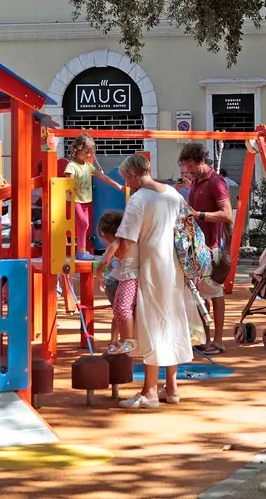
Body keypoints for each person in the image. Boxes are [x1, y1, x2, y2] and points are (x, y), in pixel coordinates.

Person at [114, 154, 194, 408]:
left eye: (126, 178)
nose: (126, 183)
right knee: (171, 319)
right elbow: (187, 223)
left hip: (150, 264)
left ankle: (149, 391)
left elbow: (126, 241)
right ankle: (171, 387)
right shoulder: (172, 193)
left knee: (151, 323)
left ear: (135, 175)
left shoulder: (139, 199)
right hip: (174, 264)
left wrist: (111, 258)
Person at [179, 142, 233, 355]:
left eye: (187, 165)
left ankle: (218, 340)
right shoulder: (196, 182)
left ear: (194, 162)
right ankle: (206, 338)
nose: (186, 170)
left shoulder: (215, 181)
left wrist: (199, 215)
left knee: (214, 292)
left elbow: (227, 214)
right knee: (199, 294)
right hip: (194, 247)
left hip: (209, 248)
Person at [64, 133, 123, 261]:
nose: (89, 155)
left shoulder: (88, 166)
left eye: (90, 152)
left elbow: (103, 177)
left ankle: (82, 251)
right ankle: (80, 250)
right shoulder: (72, 166)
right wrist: (71, 192)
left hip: (85, 200)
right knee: (83, 223)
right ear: (78, 149)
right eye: (86, 152)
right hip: (75, 200)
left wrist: (117, 185)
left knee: (85, 225)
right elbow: (69, 182)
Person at [95, 211, 139, 354]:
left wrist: (99, 276)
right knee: (120, 309)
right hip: (124, 278)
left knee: (123, 308)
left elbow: (104, 262)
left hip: (128, 277)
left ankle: (129, 339)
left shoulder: (118, 242)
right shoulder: (129, 239)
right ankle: (120, 340)